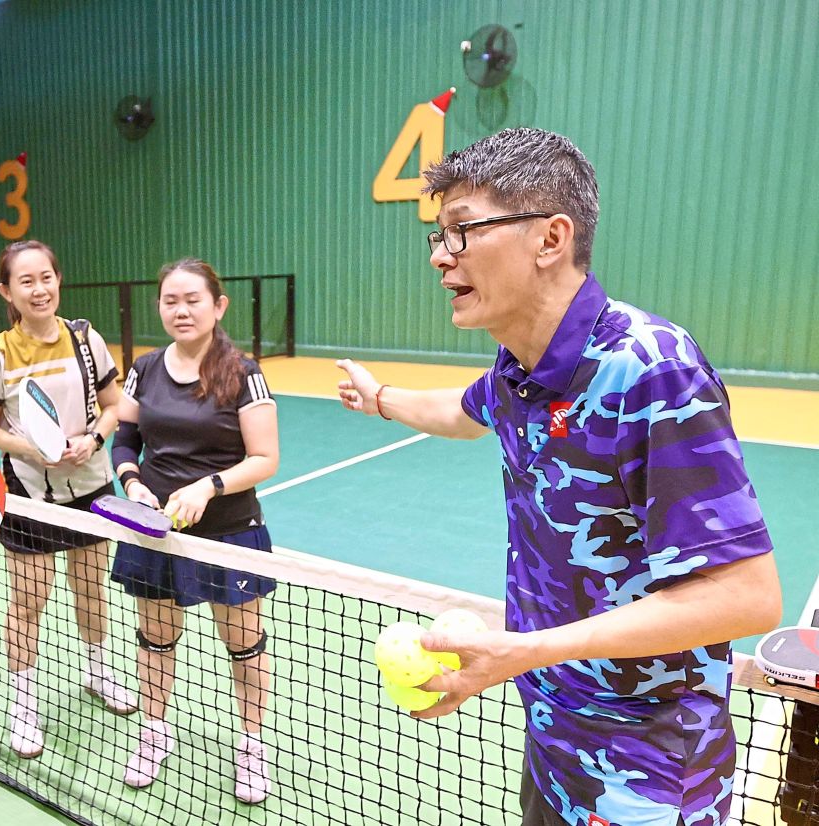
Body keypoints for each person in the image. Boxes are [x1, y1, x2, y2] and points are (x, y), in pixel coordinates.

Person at [336, 127, 781, 826]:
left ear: (550, 239)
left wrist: (522, 652)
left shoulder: (650, 370)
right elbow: (461, 409)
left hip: (649, 774)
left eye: (461, 232)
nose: (440, 257)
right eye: (435, 237)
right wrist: (381, 398)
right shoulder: (518, 372)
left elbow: (745, 597)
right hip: (553, 744)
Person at [110, 258, 280, 804]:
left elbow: (264, 458)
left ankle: (252, 748)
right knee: (155, 638)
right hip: (156, 531)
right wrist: (132, 483)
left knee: (245, 644)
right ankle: (152, 735)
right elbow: (124, 440)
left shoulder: (243, 372)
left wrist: (208, 486)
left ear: (218, 306)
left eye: (193, 300)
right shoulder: (145, 367)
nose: (181, 310)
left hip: (229, 531)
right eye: (170, 301)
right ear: (159, 306)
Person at [0, 240, 135, 759]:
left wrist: (94, 439)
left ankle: (98, 672)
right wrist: (33, 450)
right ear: (8, 291)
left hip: (90, 485)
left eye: (47, 277)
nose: (39, 289)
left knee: (91, 591)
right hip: (28, 493)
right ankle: (23, 707)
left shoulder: (86, 340)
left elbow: (114, 405)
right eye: (26, 281)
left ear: (58, 280)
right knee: (28, 603)